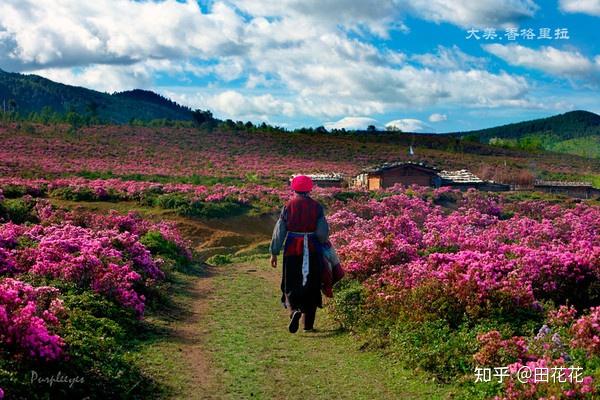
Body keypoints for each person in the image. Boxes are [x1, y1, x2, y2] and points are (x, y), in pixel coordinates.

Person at [270, 175, 329, 333]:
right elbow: (322, 234)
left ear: (293, 188)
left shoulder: (288, 206)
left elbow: (279, 231)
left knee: (290, 283)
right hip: (313, 249)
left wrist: (274, 253)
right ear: (310, 189)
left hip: (292, 250)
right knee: (312, 284)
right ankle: (308, 326)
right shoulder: (317, 207)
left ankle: (293, 310)